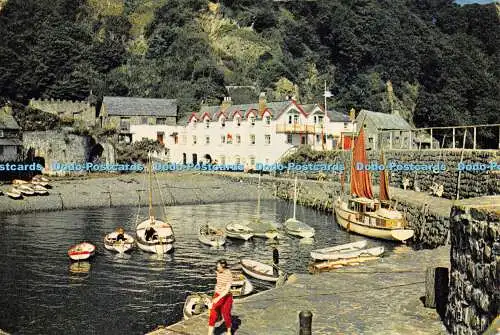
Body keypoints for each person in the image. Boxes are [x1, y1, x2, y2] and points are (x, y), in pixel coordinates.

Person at [208, 259, 233, 335]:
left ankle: (229, 331)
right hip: (217, 294)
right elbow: (213, 271)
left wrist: (217, 298)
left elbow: (226, 290)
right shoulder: (218, 271)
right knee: (213, 314)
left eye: (218, 267)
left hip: (226, 297)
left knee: (226, 314)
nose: (217, 268)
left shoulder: (229, 275)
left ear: (223, 267)